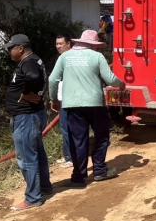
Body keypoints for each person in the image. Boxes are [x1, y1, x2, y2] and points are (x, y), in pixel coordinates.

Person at [49, 29, 125, 187]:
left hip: (72, 106)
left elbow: (52, 79)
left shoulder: (65, 57)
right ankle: (99, 171)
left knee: (79, 140)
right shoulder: (97, 56)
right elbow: (110, 79)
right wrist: (121, 84)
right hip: (95, 105)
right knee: (102, 136)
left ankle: (79, 177)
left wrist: (54, 99)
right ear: (93, 44)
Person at [5, 33, 52, 210]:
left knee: (27, 157)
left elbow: (33, 76)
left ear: (21, 49)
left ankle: (33, 198)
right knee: (38, 153)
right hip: (32, 115)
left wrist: (26, 94)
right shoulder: (34, 60)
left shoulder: (28, 63)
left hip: (26, 117)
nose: (9, 51)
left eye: (11, 48)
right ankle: (45, 187)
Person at [53, 34, 73, 168]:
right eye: (57, 44)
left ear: (69, 44)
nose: (58, 46)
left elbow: (53, 80)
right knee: (65, 128)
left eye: (61, 43)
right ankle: (67, 156)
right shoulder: (61, 58)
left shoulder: (69, 58)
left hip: (69, 99)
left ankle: (70, 158)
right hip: (63, 98)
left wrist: (52, 98)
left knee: (68, 129)